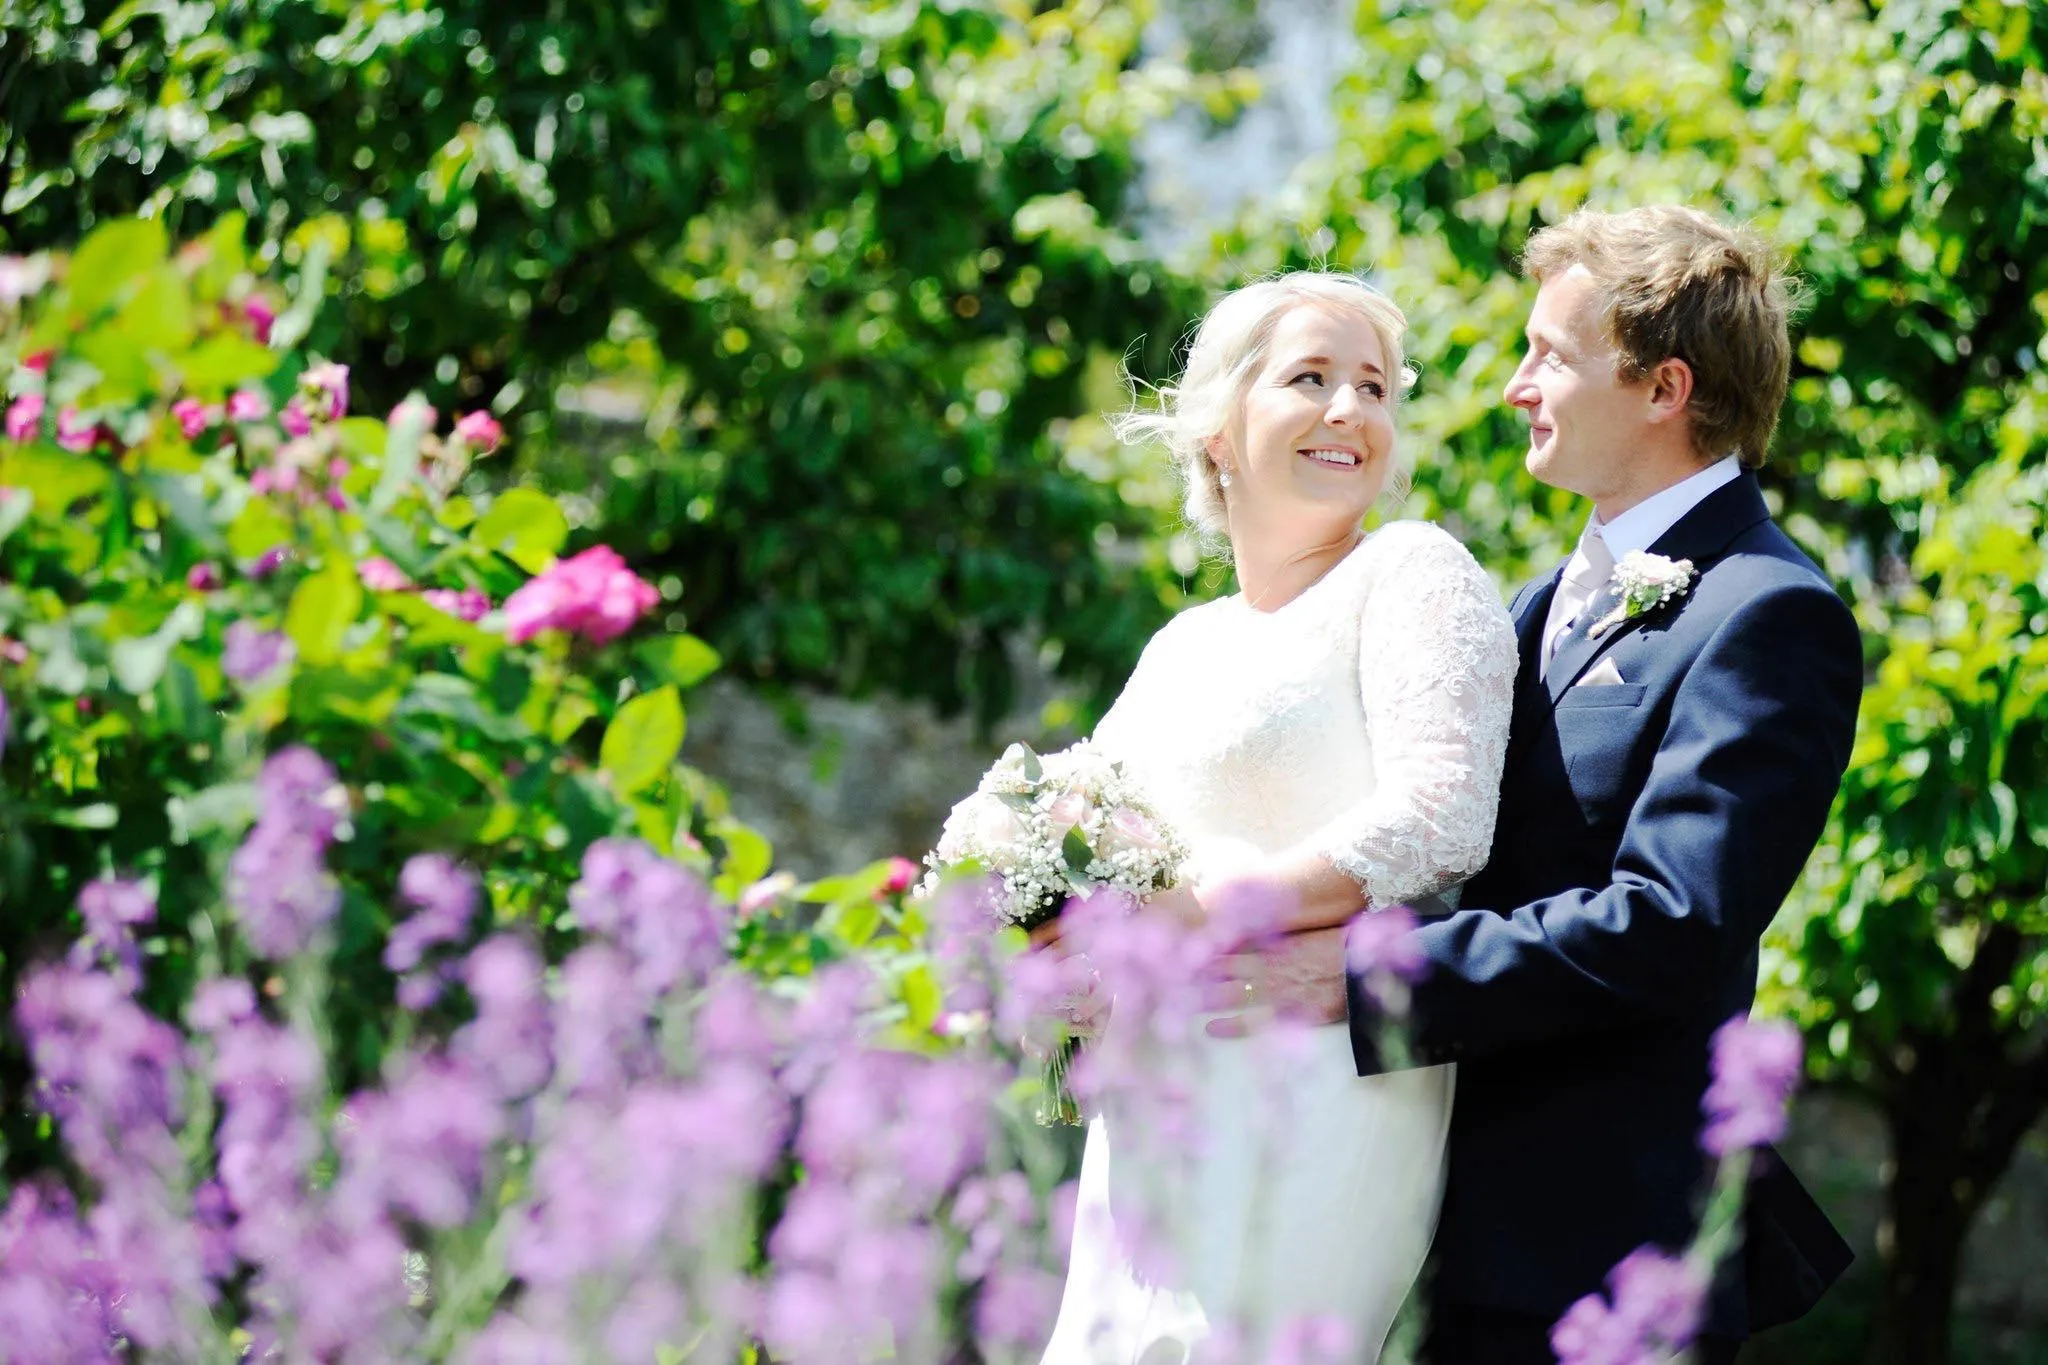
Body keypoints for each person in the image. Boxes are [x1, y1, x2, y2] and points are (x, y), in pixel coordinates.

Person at [1215, 206, 1861, 1363]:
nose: (1513, 385)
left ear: (1663, 389)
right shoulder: (1527, 601)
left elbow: (1670, 921)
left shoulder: (1767, 614)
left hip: (1597, 1263)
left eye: (1547, 356)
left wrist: (1364, 979)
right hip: (1431, 1227)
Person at [1036, 272, 1517, 1363]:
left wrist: (1210, 909)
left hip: (1318, 1079)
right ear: (1218, 425)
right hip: (1152, 1107)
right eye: (1311, 378)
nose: (1352, 411)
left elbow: (1443, 811)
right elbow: (1084, 843)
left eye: (1375, 389)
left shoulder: (1411, 573)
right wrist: (1056, 945)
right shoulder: (1182, 646)